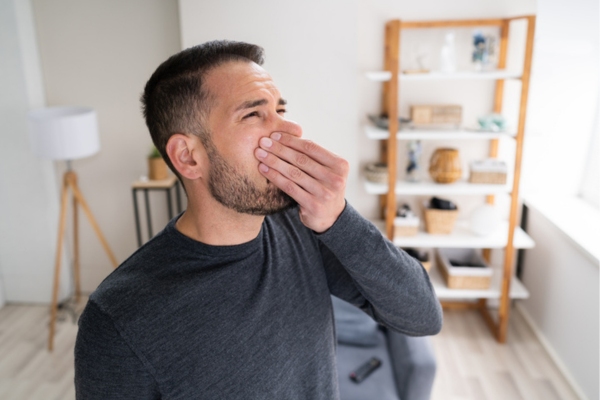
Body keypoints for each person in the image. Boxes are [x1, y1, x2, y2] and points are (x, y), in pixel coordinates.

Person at [74, 40, 442, 399]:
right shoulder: (118, 318)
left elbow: (423, 316)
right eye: (253, 114)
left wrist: (339, 219)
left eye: (280, 110)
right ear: (188, 157)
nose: (289, 129)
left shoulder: (302, 228)